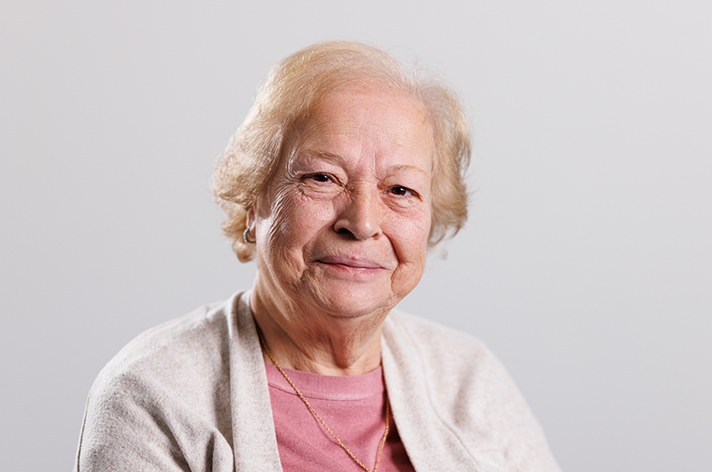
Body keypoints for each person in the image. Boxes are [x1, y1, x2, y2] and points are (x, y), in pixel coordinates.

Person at [75, 41, 562, 472]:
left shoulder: (469, 377)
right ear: (253, 200)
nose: (363, 221)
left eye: (400, 189)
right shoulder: (153, 394)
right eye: (322, 178)